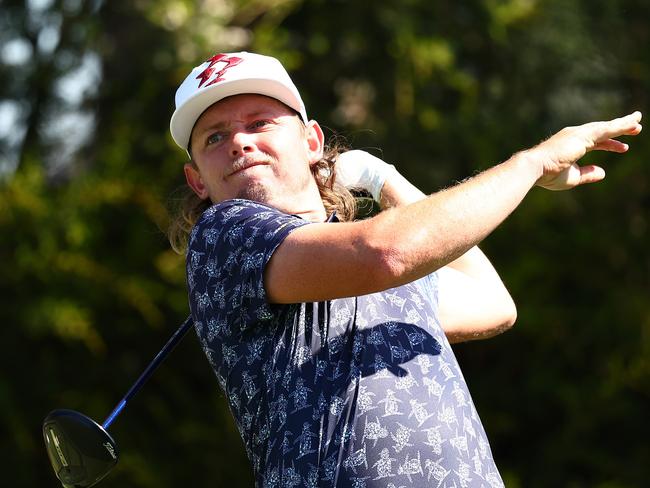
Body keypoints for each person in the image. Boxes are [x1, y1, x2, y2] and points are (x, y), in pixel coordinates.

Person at [167, 52, 642, 487]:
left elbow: (493, 303)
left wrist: (382, 177)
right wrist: (531, 163)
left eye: (260, 123)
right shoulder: (225, 237)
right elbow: (388, 251)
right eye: (216, 136)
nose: (240, 144)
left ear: (311, 141)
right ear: (197, 180)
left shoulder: (360, 263)